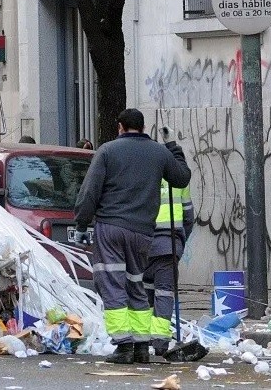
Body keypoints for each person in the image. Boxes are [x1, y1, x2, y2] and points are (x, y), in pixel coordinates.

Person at [73, 109, 191, 364]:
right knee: (136, 284)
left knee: (112, 283)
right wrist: (173, 147)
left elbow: (91, 190)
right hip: (143, 232)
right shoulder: (159, 152)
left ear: (120, 127)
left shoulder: (107, 151)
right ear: (142, 126)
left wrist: (82, 223)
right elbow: (181, 178)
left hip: (111, 228)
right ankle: (141, 346)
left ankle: (124, 346)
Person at [144, 127, 195, 358]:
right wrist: (180, 244)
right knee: (165, 294)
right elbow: (188, 216)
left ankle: (141, 342)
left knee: (144, 293)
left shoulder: (144, 175)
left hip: (143, 244)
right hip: (169, 245)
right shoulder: (179, 180)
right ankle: (161, 344)